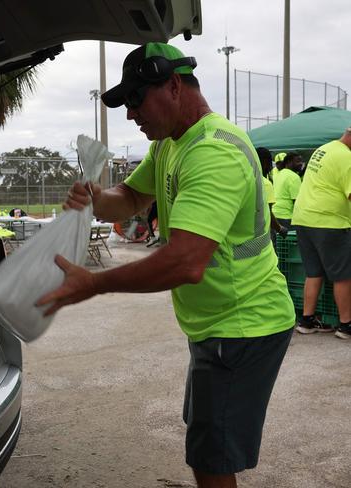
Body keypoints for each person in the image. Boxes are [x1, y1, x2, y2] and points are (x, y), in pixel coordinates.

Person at [36, 42, 295, 488]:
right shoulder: (171, 143)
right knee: (205, 440)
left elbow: (185, 263)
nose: (132, 114)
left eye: (137, 99)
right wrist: (98, 198)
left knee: (212, 455)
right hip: (216, 322)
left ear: (174, 85)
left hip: (244, 324)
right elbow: (133, 200)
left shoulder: (214, 152)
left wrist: (94, 284)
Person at [292, 129, 351, 337]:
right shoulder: (346, 157)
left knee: (313, 272)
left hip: (303, 219)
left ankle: (307, 321)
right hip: (329, 222)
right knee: (343, 275)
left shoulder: (324, 149)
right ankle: (346, 325)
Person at [256, 147, 288, 239]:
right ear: (266, 163)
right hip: (263, 233)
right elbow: (267, 213)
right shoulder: (265, 183)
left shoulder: (247, 178)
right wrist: (280, 229)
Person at [271, 152, 303, 229]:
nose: (301, 163)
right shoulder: (294, 177)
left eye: (301, 161)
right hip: (286, 216)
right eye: (298, 161)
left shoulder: (279, 174)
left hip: (275, 214)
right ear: (289, 162)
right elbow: (297, 202)